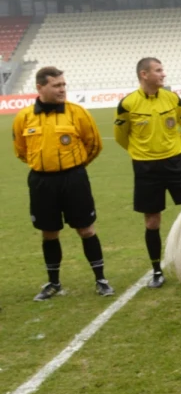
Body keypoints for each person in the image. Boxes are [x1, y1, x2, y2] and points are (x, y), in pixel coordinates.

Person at [12, 67, 114, 299]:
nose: (62, 89)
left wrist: (74, 166)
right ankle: (53, 283)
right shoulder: (24, 117)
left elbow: (94, 145)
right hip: (41, 182)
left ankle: (101, 279)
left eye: (63, 85)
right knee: (49, 232)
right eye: (56, 86)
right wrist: (43, 165)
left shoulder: (77, 113)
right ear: (40, 88)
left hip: (74, 179)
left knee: (86, 229)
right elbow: (21, 150)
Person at [114, 57, 181, 288]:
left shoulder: (173, 99)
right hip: (146, 168)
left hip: (176, 164)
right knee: (152, 221)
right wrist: (141, 152)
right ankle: (156, 270)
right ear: (144, 74)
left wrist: (175, 150)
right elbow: (121, 136)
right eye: (158, 70)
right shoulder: (128, 104)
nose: (163, 74)